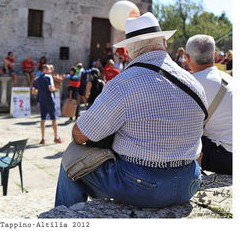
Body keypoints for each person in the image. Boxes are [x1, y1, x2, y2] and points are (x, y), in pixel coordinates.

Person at [55, 12, 207, 208]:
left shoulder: (124, 83)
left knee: (71, 159)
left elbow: (81, 135)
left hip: (143, 186)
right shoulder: (193, 82)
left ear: (128, 51)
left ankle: (65, 218)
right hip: (189, 182)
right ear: (163, 42)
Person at [185, 35, 232, 175]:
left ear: (187, 58)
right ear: (215, 56)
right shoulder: (229, 79)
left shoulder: (189, 83)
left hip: (223, 158)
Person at [32, 64, 63, 145]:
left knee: (42, 119)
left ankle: (43, 139)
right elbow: (51, 88)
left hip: (42, 100)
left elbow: (34, 92)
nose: (50, 71)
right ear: (45, 70)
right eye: (49, 69)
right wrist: (57, 85)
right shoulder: (49, 77)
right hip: (49, 100)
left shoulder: (36, 79)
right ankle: (56, 137)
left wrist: (41, 90)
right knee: (54, 119)